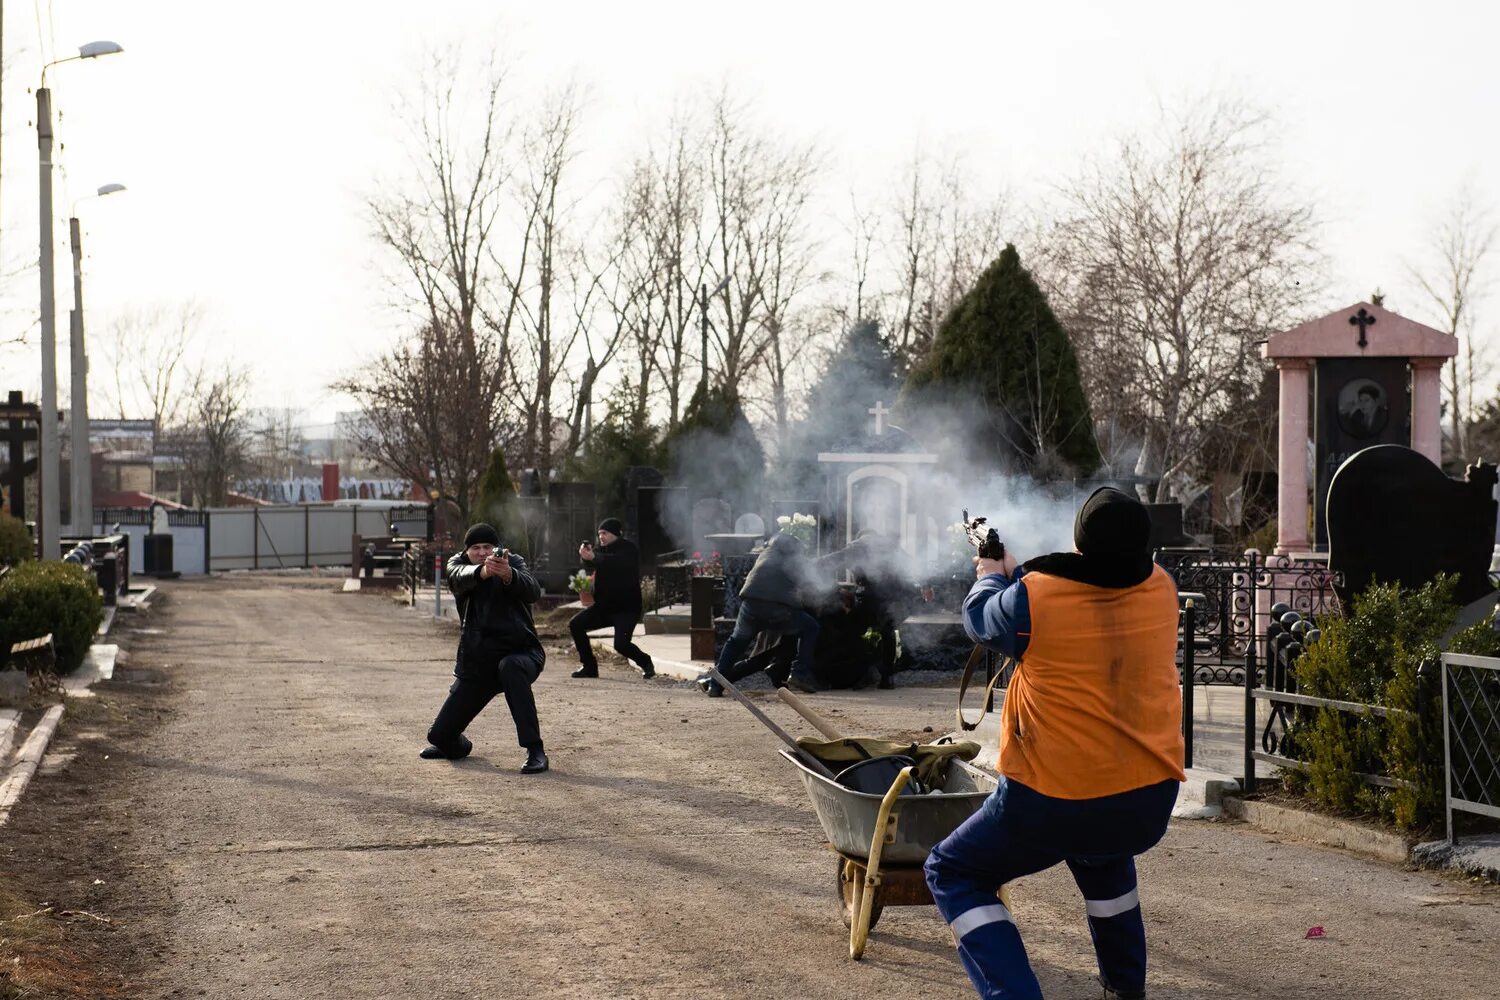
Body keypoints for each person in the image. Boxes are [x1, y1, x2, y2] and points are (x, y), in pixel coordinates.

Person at [924, 487, 1185, 1000]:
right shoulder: (1162, 587)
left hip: (1053, 800)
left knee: (952, 871)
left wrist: (989, 575)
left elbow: (982, 619)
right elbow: (1088, 595)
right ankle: (1126, 990)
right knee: (1102, 854)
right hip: (1147, 798)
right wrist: (1020, 574)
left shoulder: (1034, 600)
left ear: (1079, 543)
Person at [420, 523, 549, 775]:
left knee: (510, 667)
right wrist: (483, 573)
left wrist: (508, 575)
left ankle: (536, 751)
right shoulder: (456, 564)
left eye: (487, 547)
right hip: (478, 663)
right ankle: (456, 744)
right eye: (476, 548)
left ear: (496, 548)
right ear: (467, 551)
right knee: (438, 736)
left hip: (520, 654)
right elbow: (457, 579)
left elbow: (532, 590)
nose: (481, 552)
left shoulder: (513, 562)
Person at [697, 531, 829, 697]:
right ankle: (799, 673)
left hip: (750, 606)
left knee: (735, 643)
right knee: (810, 627)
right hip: (778, 610)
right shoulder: (793, 560)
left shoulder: (765, 554)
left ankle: (715, 685)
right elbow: (813, 579)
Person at [570, 517, 655, 681]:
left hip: (626, 609)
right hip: (604, 608)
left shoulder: (628, 549)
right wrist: (585, 555)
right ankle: (589, 667)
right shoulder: (602, 550)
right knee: (576, 624)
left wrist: (594, 557)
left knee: (621, 645)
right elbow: (591, 563)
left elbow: (615, 562)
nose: (601, 537)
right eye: (599, 533)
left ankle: (645, 662)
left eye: (605, 533)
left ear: (615, 534)